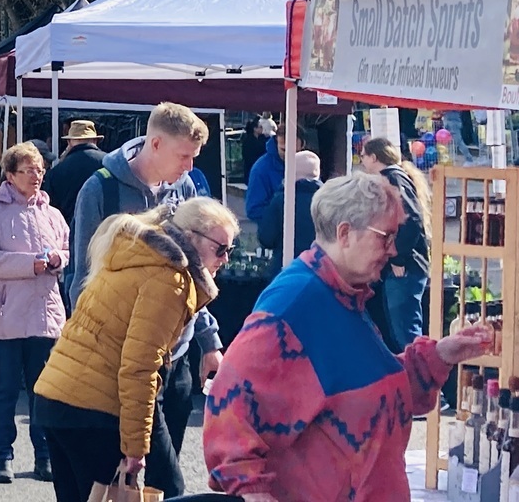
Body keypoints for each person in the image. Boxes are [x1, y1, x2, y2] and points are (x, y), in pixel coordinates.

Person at [204, 174, 490, 502]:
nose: (394, 249)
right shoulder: (298, 302)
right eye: (387, 237)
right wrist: (253, 492)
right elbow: (228, 408)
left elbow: (374, 391)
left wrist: (441, 354)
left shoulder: (343, 296)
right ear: (345, 233)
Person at [34, 197, 239, 502]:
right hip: (93, 409)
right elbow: (139, 367)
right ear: (191, 238)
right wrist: (135, 448)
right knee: (168, 488)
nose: (225, 260)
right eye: (220, 249)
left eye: (230, 250)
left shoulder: (137, 253)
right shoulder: (170, 279)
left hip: (55, 398)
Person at [66, 102, 223, 492]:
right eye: (184, 156)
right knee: (153, 481)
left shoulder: (184, 189)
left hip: (176, 355)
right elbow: (83, 279)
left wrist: (208, 341)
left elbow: (193, 274)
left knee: (153, 483)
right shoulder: (100, 188)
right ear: (155, 144)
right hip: (125, 360)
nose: (190, 167)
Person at [0, 142, 68, 484]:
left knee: (45, 391)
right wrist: (31, 264)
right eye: (29, 170)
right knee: (5, 389)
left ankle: (44, 455)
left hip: (44, 315)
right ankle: (3, 456)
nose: (37, 176)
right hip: (4, 317)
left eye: (40, 169)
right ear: (10, 176)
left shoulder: (51, 214)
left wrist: (58, 259)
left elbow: (66, 248)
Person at [360, 135, 432, 352]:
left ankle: (421, 380)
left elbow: (411, 220)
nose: (361, 161)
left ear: (373, 157)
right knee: (399, 330)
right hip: (404, 265)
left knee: (405, 332)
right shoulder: (395, 177)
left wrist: (398, 256)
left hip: (405, 267)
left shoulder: (392, 179)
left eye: (362, 156)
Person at [256, 149, 322, 266]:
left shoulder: (282, 200)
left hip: (287, 266)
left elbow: (266, 238)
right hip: (321, 267)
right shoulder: (329, 201)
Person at [42, 120, 105, 228]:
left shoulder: (57, 171)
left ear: (69, 142)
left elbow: (49, 209)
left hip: (69, 232)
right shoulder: (108, 164)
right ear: (95, 140)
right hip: (104, 232)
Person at [245, 130, 286, 222]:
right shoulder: (261, 169)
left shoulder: (307, 164)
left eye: (295, 150)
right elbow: (253, 209)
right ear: (276, 144)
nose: (289, 154)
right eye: (283, 149)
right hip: (276, 232)